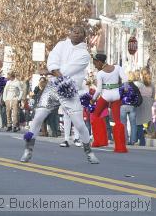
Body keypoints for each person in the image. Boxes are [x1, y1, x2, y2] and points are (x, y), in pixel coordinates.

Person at [20, 26, 99, 164]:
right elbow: (52, 60)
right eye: (74, 30)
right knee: (38, 117)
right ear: (70, 32)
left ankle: (88, 151)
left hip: (69, 90)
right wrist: (52, 69)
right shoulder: (61, 45)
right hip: (53, 88)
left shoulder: (85, 55)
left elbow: (68, 70)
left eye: (79, 32)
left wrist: (50, 72)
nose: (76, 33)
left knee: (79, 124)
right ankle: (28, 149)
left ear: (83, 36)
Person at [90, 53, 128, 153]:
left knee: (95, 116)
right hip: (116, 96)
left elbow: (98, 90)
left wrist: (93, 99)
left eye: (95, 63)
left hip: (105, 96)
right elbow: (125, 78)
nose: (95, 66)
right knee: (117, 121)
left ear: (99, 62)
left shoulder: (100, 74)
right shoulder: (117, 67)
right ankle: (120, 147)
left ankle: (100, 141)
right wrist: (126, 88)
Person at [135, 69, 155, 146]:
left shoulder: (139, 84)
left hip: (141, 103)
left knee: (139, 123)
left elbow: (137, 94)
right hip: (149, 103)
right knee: (148, 121)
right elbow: (153, 96)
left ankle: (142, 141)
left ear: (141, 75)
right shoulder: (152, 84)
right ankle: (147, 135)